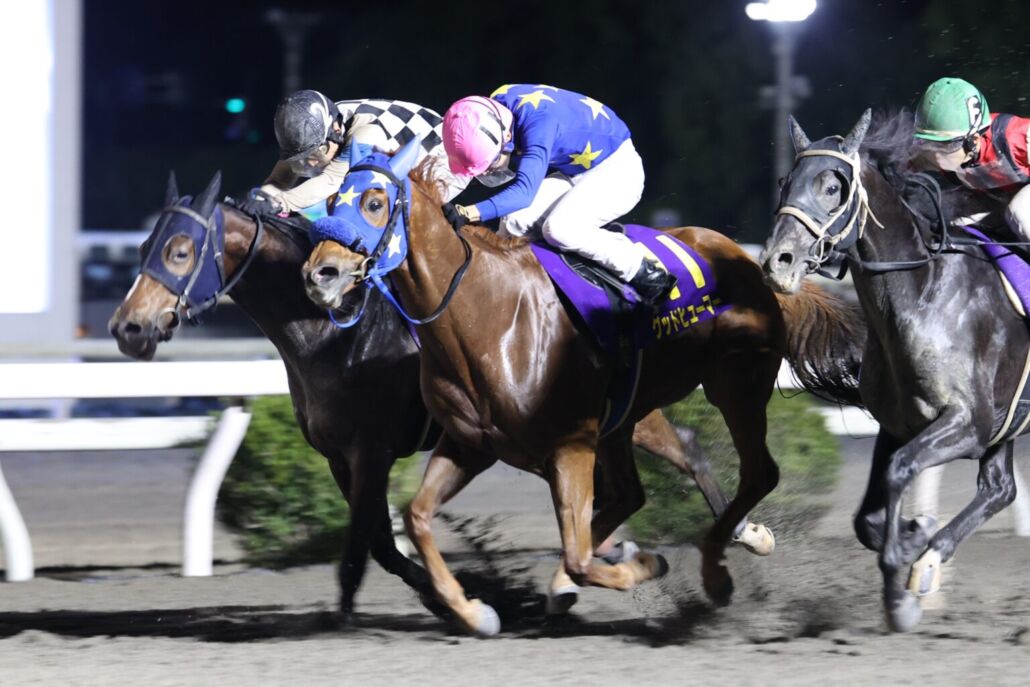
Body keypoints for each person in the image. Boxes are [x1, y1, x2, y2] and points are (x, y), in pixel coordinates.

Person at [440, 84, 677, 306]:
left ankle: (646, 272)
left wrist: (467, 212)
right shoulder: (483, 112)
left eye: (491, 165)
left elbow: (524, 193)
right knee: (513, 221)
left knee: (560, 229)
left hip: (619, 171)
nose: (491, 172)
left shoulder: (539, 124)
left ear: (507, 137)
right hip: (577, 170)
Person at [241, 90, 467, 216]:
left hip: (446, 160)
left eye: (317, 153)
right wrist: (258, 199)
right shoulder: (318, 131)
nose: (310, 163)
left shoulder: (365, 133)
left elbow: (331, 181)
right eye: (299, 158)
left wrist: (279, 204)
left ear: (336, 130)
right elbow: (278, 180)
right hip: (396, 153)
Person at [914, 77, 1030, 245]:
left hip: (1017, 202)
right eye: (928, 144)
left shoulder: (1015, 137)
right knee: (952, 228)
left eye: (945, 146)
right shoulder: (926, 156)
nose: (935, 155)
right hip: (1000, 202)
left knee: (1019, 211)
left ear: (973, 140)